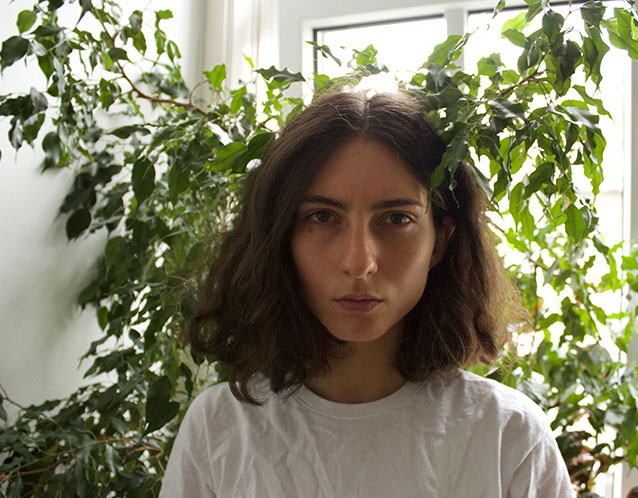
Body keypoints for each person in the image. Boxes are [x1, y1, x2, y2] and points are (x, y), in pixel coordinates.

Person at [160, 91, 574, 497]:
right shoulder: (218, 431)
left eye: (396, 219)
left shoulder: (508, 438)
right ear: (281, 237)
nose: (359, 263)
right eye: (323, 216)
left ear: (440, 242)